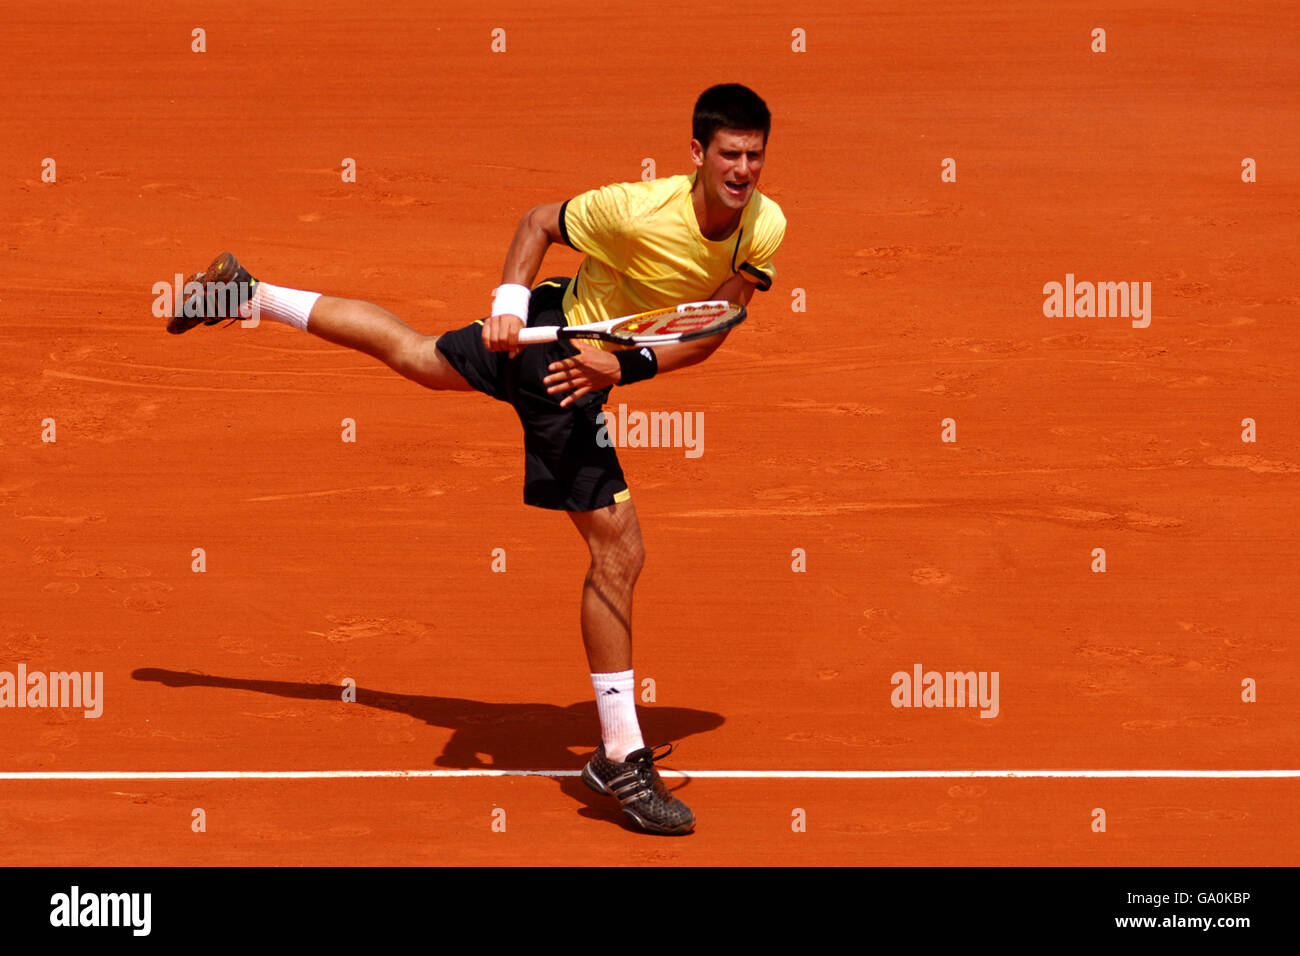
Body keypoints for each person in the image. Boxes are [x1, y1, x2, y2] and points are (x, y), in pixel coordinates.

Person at [166, 83, 786, 835]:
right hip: (557, 364)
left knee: (419, 355)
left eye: (755, 155)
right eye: (730, 153)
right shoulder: (635, 209)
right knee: (618, 548)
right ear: (697, 153)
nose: (744, 168)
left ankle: (249, 295)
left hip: (597, 354)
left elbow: (718, 319)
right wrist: (511, 304)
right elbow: (536, 222)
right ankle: (620, 756)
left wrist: (629, 366)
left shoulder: (764, 225)